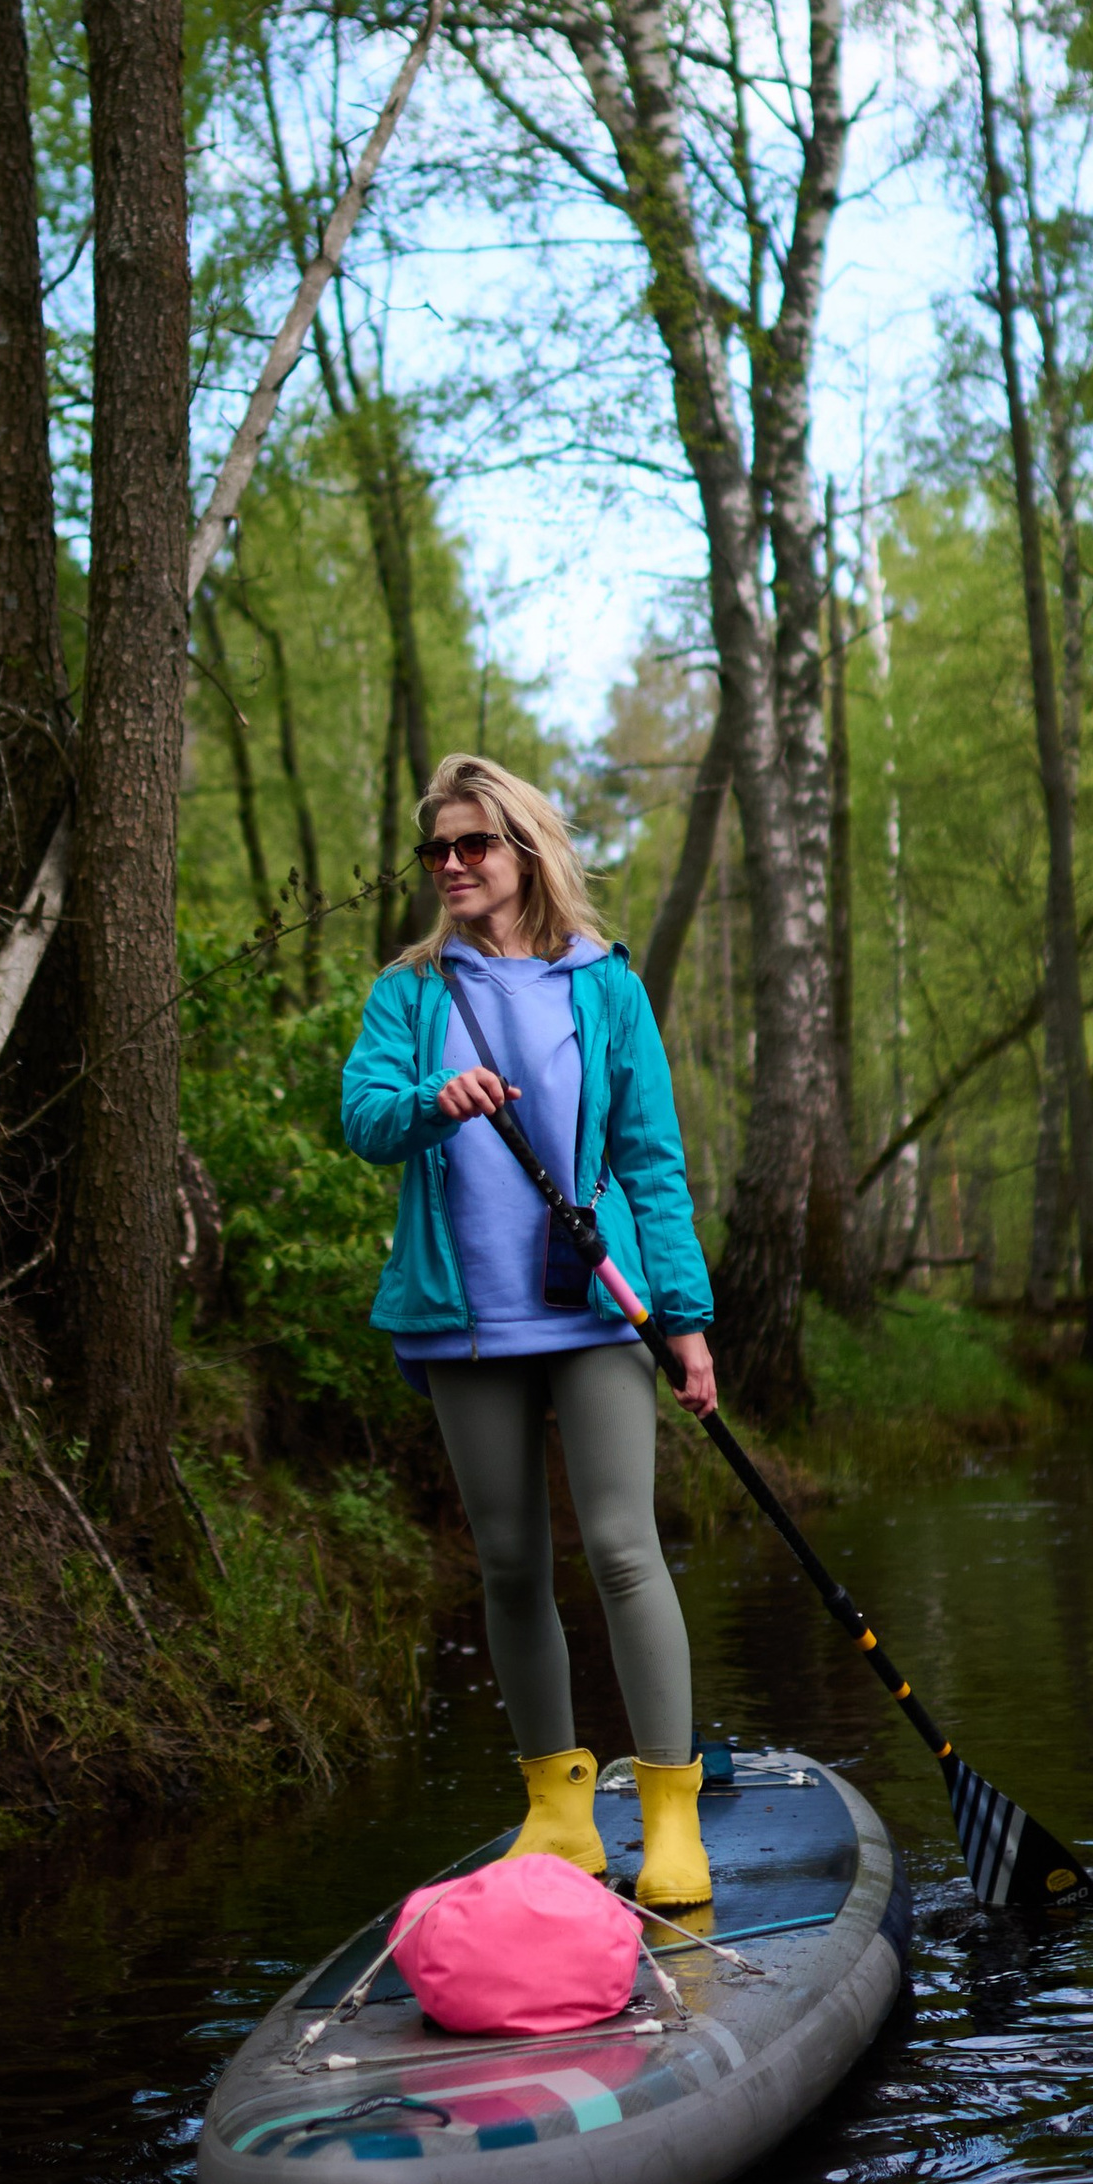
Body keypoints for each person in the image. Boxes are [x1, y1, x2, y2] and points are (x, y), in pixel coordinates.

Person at [340, 751, 721, 1908]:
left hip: (596, 1306)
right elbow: (362, 1116)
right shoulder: (410, 992)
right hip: (465, 1320)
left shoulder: (603, 984)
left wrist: (687, 1321)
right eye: (436, 850)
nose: (451, 865)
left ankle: (669, 1817)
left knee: (619, 1546)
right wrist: (425, 1101)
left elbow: (653, 1160)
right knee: (509, 1562)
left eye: (473, 844)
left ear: (524, 851)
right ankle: (560, 1817)